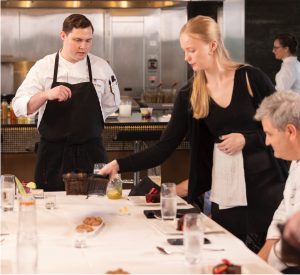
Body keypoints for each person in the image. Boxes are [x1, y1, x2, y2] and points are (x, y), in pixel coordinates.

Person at [99, 15, 288, 252]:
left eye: (191, 50)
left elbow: (286, 126)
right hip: (227, 194)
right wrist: (118, 164)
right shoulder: (189, 93)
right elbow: (163, 148)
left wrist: (247, 139)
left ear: (212, 45)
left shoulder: (251, 78)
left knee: (270, 262)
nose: (186, 58)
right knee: (228, 258)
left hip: (267, 188)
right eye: (184, 51)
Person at [12, 14, 120, 191]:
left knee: (95, 208)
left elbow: (110, 104)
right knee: (51, 211)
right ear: (63, 36)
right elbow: (19, 108)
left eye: (88, 40)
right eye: (77, 40)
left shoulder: (101, 67)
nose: (83, 46)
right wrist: (46, 94)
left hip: (91, 152)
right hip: (53, 156)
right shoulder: (43, 67)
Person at [255, 91, 300, 271]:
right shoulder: (296, 160)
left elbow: (295, 236)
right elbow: (284, 211)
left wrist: (260, 267)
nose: (266, 142)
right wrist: (261, 259)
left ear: (290, 131)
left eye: (270, 134)